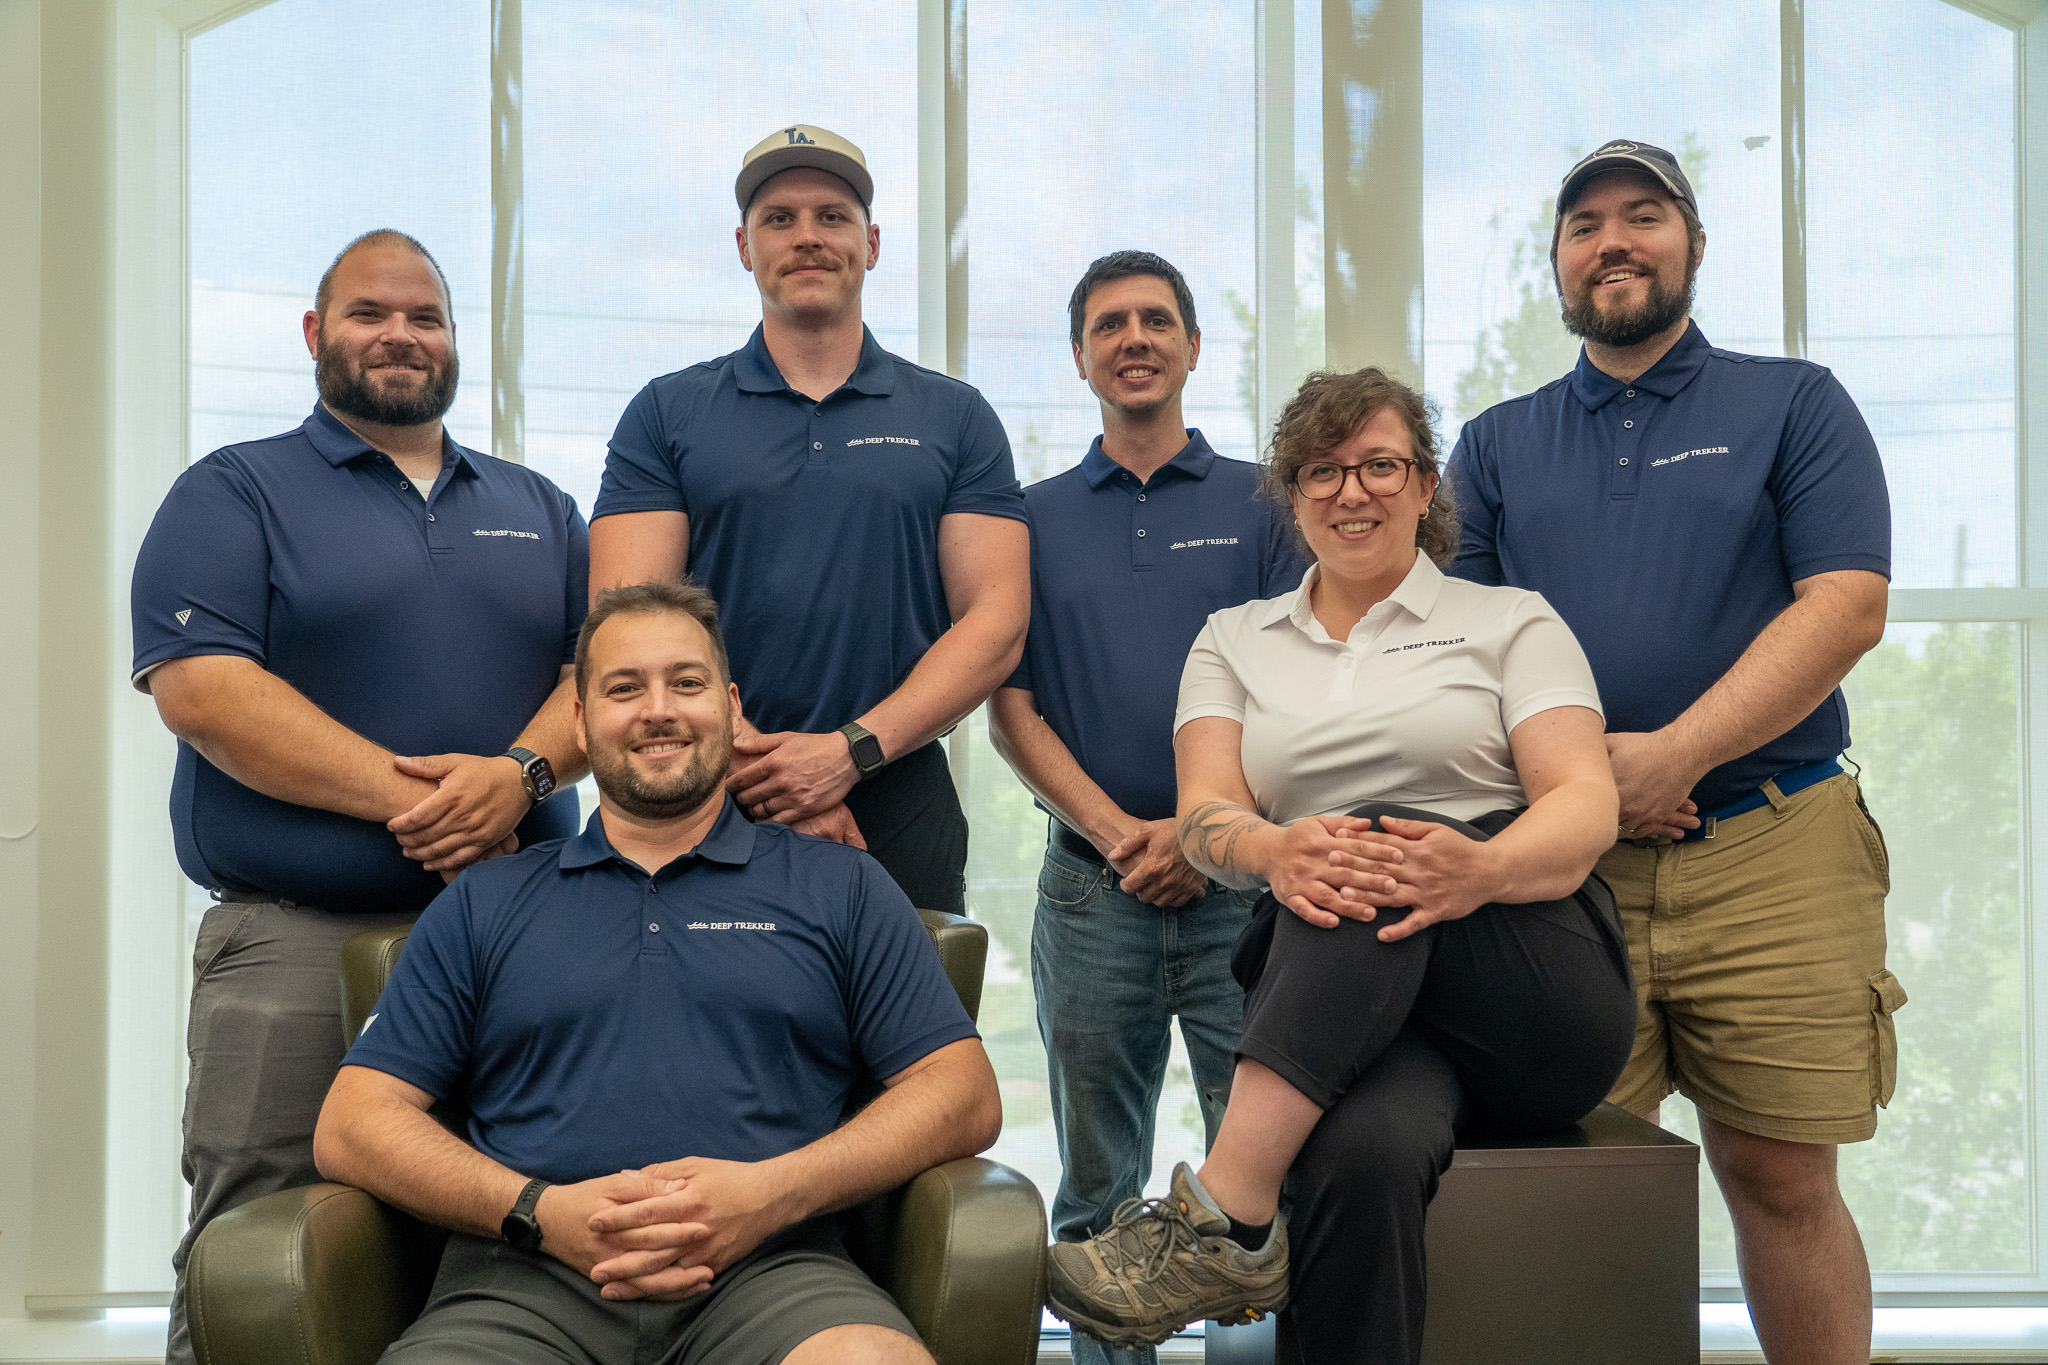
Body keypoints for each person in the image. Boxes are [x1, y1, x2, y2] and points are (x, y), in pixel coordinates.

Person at [1042, 368, 1636, 1365]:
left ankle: (1223, 1214)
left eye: (1378, 466)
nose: (1350, 491)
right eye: (1321, 470)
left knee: (1365, 842)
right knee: (1360, 1156)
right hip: (1354, 1006)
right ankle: (1242, 1234)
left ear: (1424, 484)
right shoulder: (1233, 640)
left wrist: (1479, 870)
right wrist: (1273, 848)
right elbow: (1205, 817)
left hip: (1529, 981)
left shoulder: (1510, 621)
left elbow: (1585, 804)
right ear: (1292, 493)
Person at [1449, 140, 1895, 1365]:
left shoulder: (1794, 403)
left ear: (1692, 244)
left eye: (1641, 215)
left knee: (1779, 1175)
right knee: (1575, 1183)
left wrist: (1673, 757)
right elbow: (1454, 648)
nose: (1612, 242)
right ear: (1555, 263)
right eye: (1582, 224)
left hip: (1773, 844)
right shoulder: (1493, 444)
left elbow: (1845, 606)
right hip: (1562, 865)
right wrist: (1593, 783)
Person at [313, 580, 1002, 1365]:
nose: (659, 710)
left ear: (731, 708)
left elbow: (963, 1092)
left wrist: (770, 1193)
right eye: (624, 688)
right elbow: (353, 1121)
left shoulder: (841, 886)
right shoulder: (485, 900)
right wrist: (540, 1210)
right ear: (580, 721)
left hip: (775, 1279)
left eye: (686, 681)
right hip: (522, 1286)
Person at [130, 229, 590, 1365]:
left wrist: (517, 779)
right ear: (314, 333)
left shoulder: (539, 505)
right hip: (297, 942)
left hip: (515, 943)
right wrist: (434, 805)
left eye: (425, 317)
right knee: (258, 1251)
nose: (400, 336)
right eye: (369, 313)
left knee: (506, 1231)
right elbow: (204, 692)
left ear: (454, 341)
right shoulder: (234, 490)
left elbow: (608, 678)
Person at [987, 250, 1303, 1365]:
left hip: (1241, 893)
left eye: (1157, 320)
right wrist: (1123, 835)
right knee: (1094, 1193)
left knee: (1254, 1193)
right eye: (1110, 324)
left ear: (1193, 347)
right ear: (1079, 357)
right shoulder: (1026, 517)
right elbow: (1010, 708)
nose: (1135, 339)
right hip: (1090, 891)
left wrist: (1196, 834)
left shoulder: (1265, 503)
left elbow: (1300, 685)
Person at [589, 124, 1028, 915]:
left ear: (872, 243)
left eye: (832, 216)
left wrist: (847, 754)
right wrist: (765, 771)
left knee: (910, 1001)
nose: (807, 237)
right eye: (779, 219)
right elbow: (625, 622)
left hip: (899, 797)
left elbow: (996, 621)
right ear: (744, 246)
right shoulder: (666, 413)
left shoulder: (955, 416)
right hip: (704, 795)